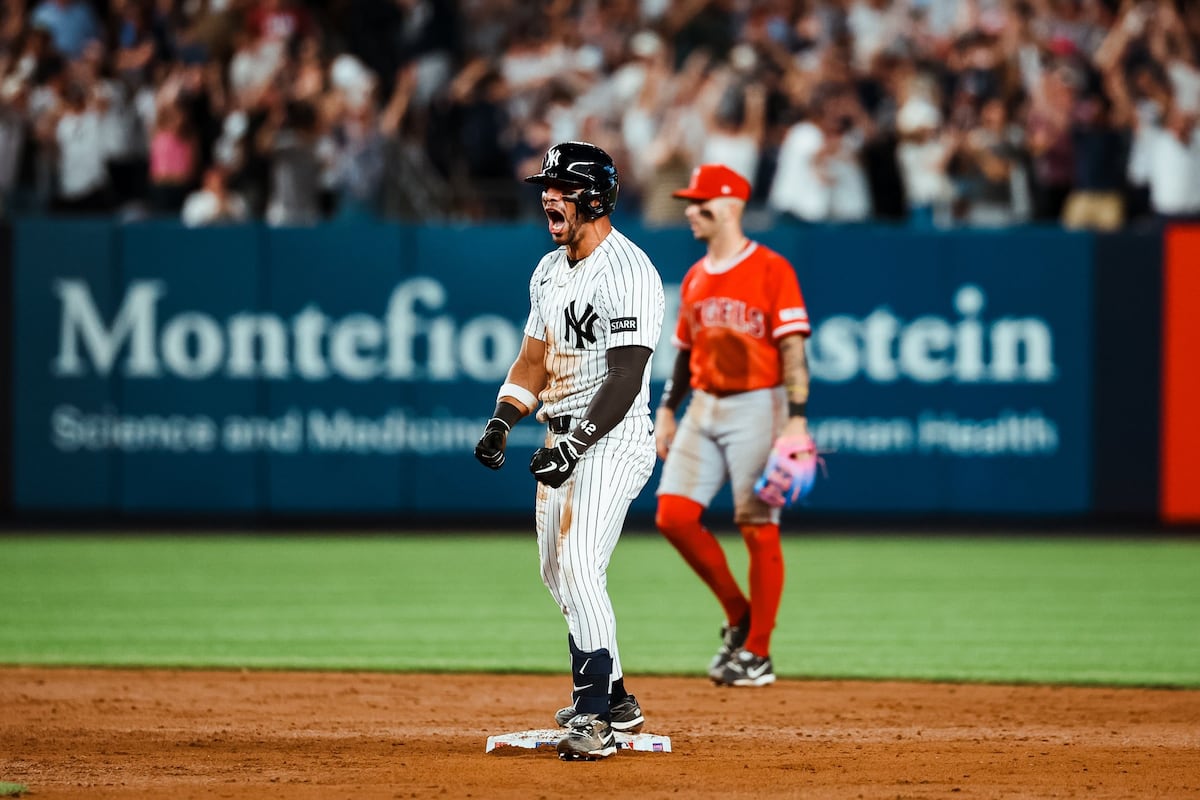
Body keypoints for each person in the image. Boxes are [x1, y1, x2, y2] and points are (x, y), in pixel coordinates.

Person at [473, 140, 665, 761]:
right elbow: (533, 362)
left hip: (613, 435)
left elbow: (628, 375)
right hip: (561, 434)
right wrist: (503, 419)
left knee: (580, 564)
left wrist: (577, 444)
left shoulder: (629, 271)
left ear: (597, 198)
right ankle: (618, 699)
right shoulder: (548, 270)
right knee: (556, 572)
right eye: (546, 189)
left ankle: (594, 719)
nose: (549, 198)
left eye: (562, 189)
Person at [654, 163, 812, 688]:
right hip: (704, 404)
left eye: (700, 203)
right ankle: (740, 614)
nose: (691, 211)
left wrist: (796, 420)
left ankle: (758, 653)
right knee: (674, 516)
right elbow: (684, 351)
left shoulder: (771, 268)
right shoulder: (696, 276)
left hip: (758, 405)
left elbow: (793, 350)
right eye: (689, 203)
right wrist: (668, 409)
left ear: (730, 207)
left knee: (756, 523)